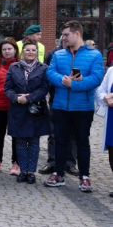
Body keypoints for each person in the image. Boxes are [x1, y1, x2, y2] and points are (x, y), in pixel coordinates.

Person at [45, 20, 103, 192]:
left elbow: (96, 78)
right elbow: (50, 72)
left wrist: (75, 85)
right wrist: (64, 82)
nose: (63, 38)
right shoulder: (58, 54)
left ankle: (84, 176)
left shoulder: (95, 55)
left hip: (83, 107)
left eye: (66, 34)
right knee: (60, 141)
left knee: (82, 142)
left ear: (77, 34)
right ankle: (58, 173)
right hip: (61, 106)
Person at [4, 39, 50, 184]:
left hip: (35, 109)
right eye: (27, 50)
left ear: (37, 52)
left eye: (33, 50)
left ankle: (31, 171)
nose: (30, 52)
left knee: (34, 141)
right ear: (22, 52)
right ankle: (23, 170)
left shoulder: (43, 68)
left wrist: (29, 98)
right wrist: (17, 98)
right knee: (20, 141)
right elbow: (7, 88)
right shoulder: (14, 67)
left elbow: (44, 88)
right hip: (18, 109)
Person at [39, 37, 78, 175]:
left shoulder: (80, 55)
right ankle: (52, 162)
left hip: (76, 100)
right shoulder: (53, 54)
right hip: (56, 99)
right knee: (54, 133)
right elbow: (48, 75)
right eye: (64, 38)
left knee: (72, 134)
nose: (66, 40)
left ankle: (70, 163)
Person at [0, 38, 20, 175]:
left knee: (16, 135)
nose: (7, 52)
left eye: (9, 49)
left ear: (15, 50)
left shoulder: (21, 65)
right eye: (4, 50)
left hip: (16, 105)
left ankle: (16, 162)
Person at [95, 58, 113, 197]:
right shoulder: (111, 70)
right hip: (111, 119)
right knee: (112, 152)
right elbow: (100, 90)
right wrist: (105, 97)